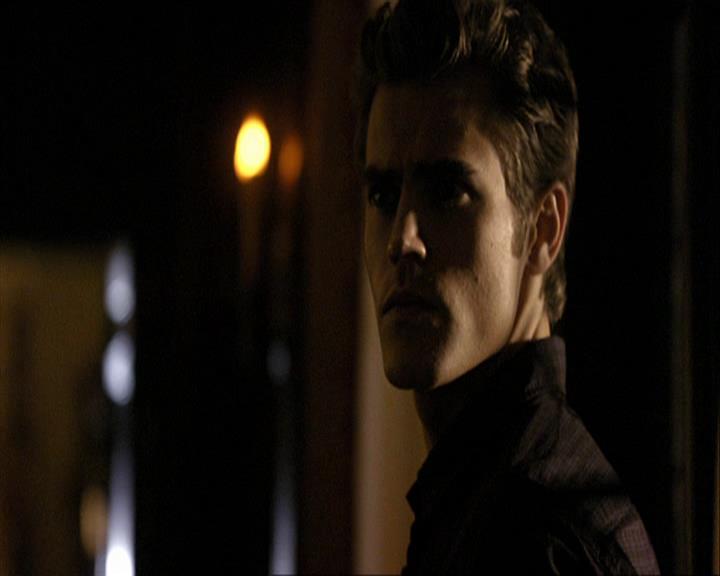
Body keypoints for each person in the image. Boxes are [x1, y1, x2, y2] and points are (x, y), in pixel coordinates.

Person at [354, 0, 660, 573]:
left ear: (544, 228)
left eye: (447, 192)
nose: (402, 239)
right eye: (382, 195)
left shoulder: (545, 535)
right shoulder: (485, 503)